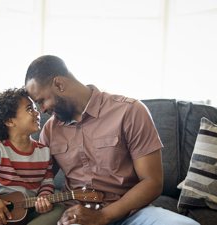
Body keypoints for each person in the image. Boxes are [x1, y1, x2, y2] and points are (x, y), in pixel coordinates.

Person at [24, 55, 200, 225]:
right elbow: (34, 180)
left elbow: (152, 182)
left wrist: (103, 217)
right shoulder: (50, 129)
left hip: (133, 213)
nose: (42, 110)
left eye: (41, 101)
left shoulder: (130, 111)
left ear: (59, 84)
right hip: (76, 216)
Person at [0, 87, 66, 225]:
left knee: (60, 209)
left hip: (30, 210)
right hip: (3, 215)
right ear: (9, 121)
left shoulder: (44, 152)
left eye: (35, 108)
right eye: (30, 109)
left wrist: (44, 198)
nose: (37, 112)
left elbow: (46, 182)